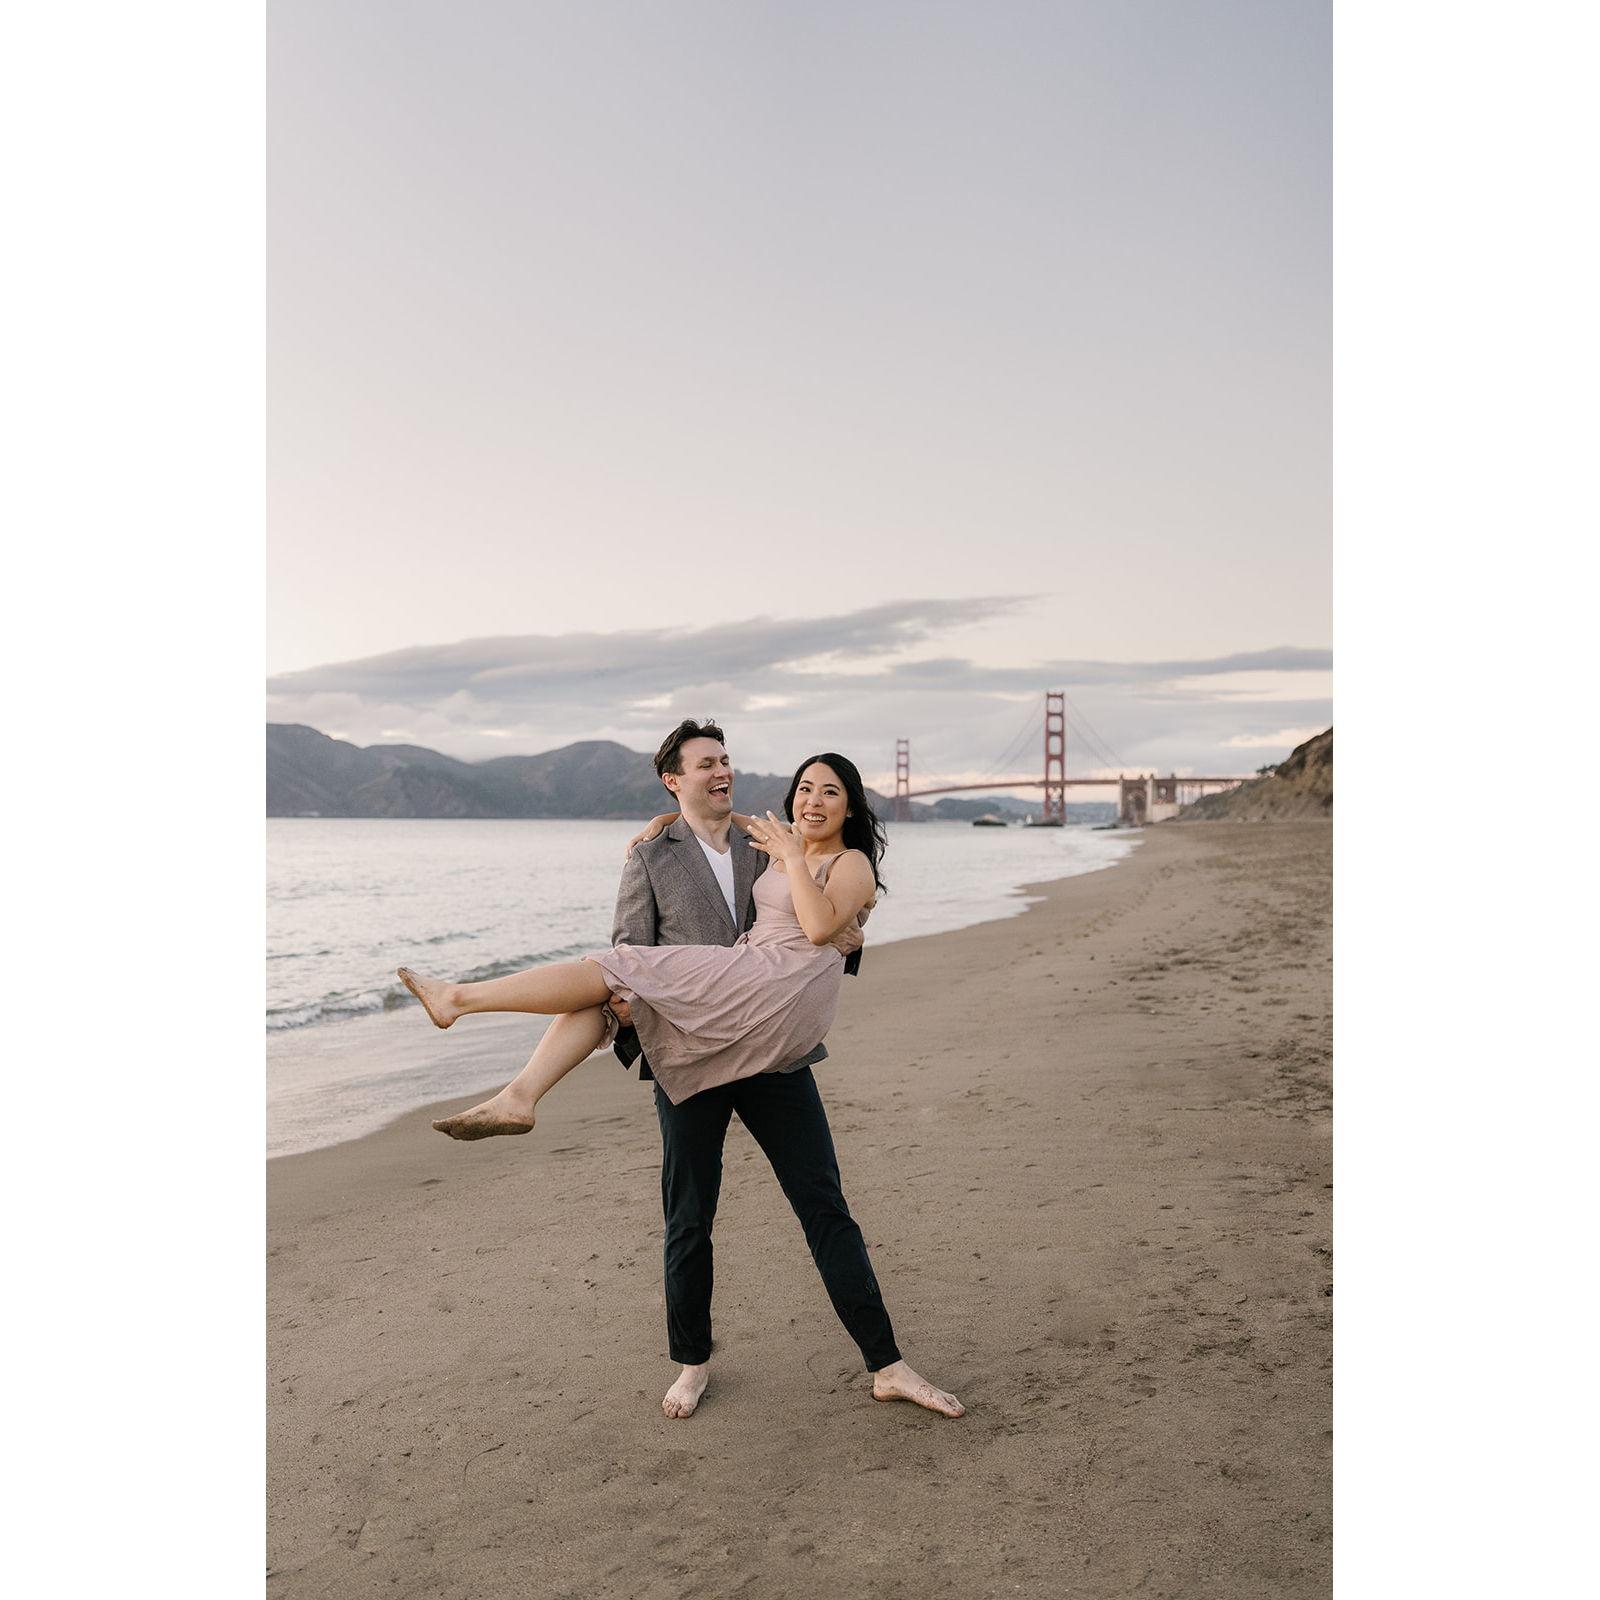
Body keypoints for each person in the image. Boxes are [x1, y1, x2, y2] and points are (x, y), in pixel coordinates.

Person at [399, 719, 963, 1420]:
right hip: (689, 1041)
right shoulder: (652, 854)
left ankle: (888, 1363)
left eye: (727, 762)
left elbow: (824, 925)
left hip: (772, 1049)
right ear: (676, 780)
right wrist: (632, 1000)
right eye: (705, 766)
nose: (722, 773)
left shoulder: (773, 845)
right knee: (688, 1216)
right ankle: (691, 1362)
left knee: (825, 1208)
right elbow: (630, 942)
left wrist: (845, 919)